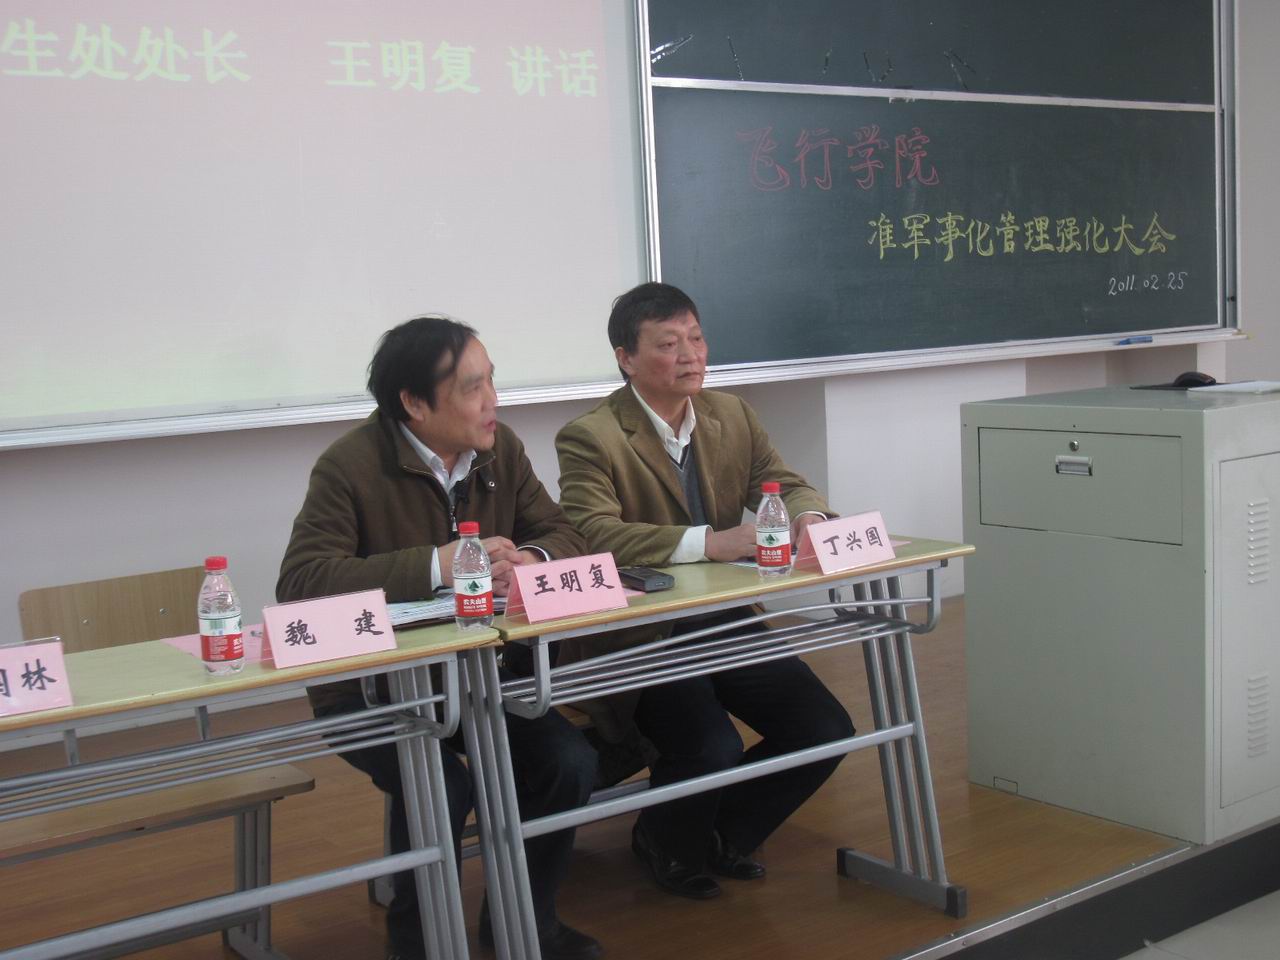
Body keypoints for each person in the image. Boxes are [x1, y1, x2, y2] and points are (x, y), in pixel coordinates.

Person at [277, 315, 602, 960]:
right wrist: (437, 564)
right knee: (440, 787)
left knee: (568, 763)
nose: (492, 401)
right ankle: (421, 945)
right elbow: (303, 583)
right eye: (473, 388)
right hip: (371, 693)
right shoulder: (350, 465)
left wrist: (531, 560)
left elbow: (566, 533)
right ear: (415, 403)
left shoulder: (500, 450)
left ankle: (523, 922)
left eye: (492, 381)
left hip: (482, 680)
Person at [555, 281, 855, 901]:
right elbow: (591, 534)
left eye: (696, 338)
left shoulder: (730, 414)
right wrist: (708, 542)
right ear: (626, 358)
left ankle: (723, 832)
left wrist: (809, 515)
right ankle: (665, 839)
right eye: (668, 344)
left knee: (824, 726)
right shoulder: (593, 435)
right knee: (711, 745)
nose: (690, 354)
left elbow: (784, 481)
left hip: (722, 617)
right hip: (642, 633)